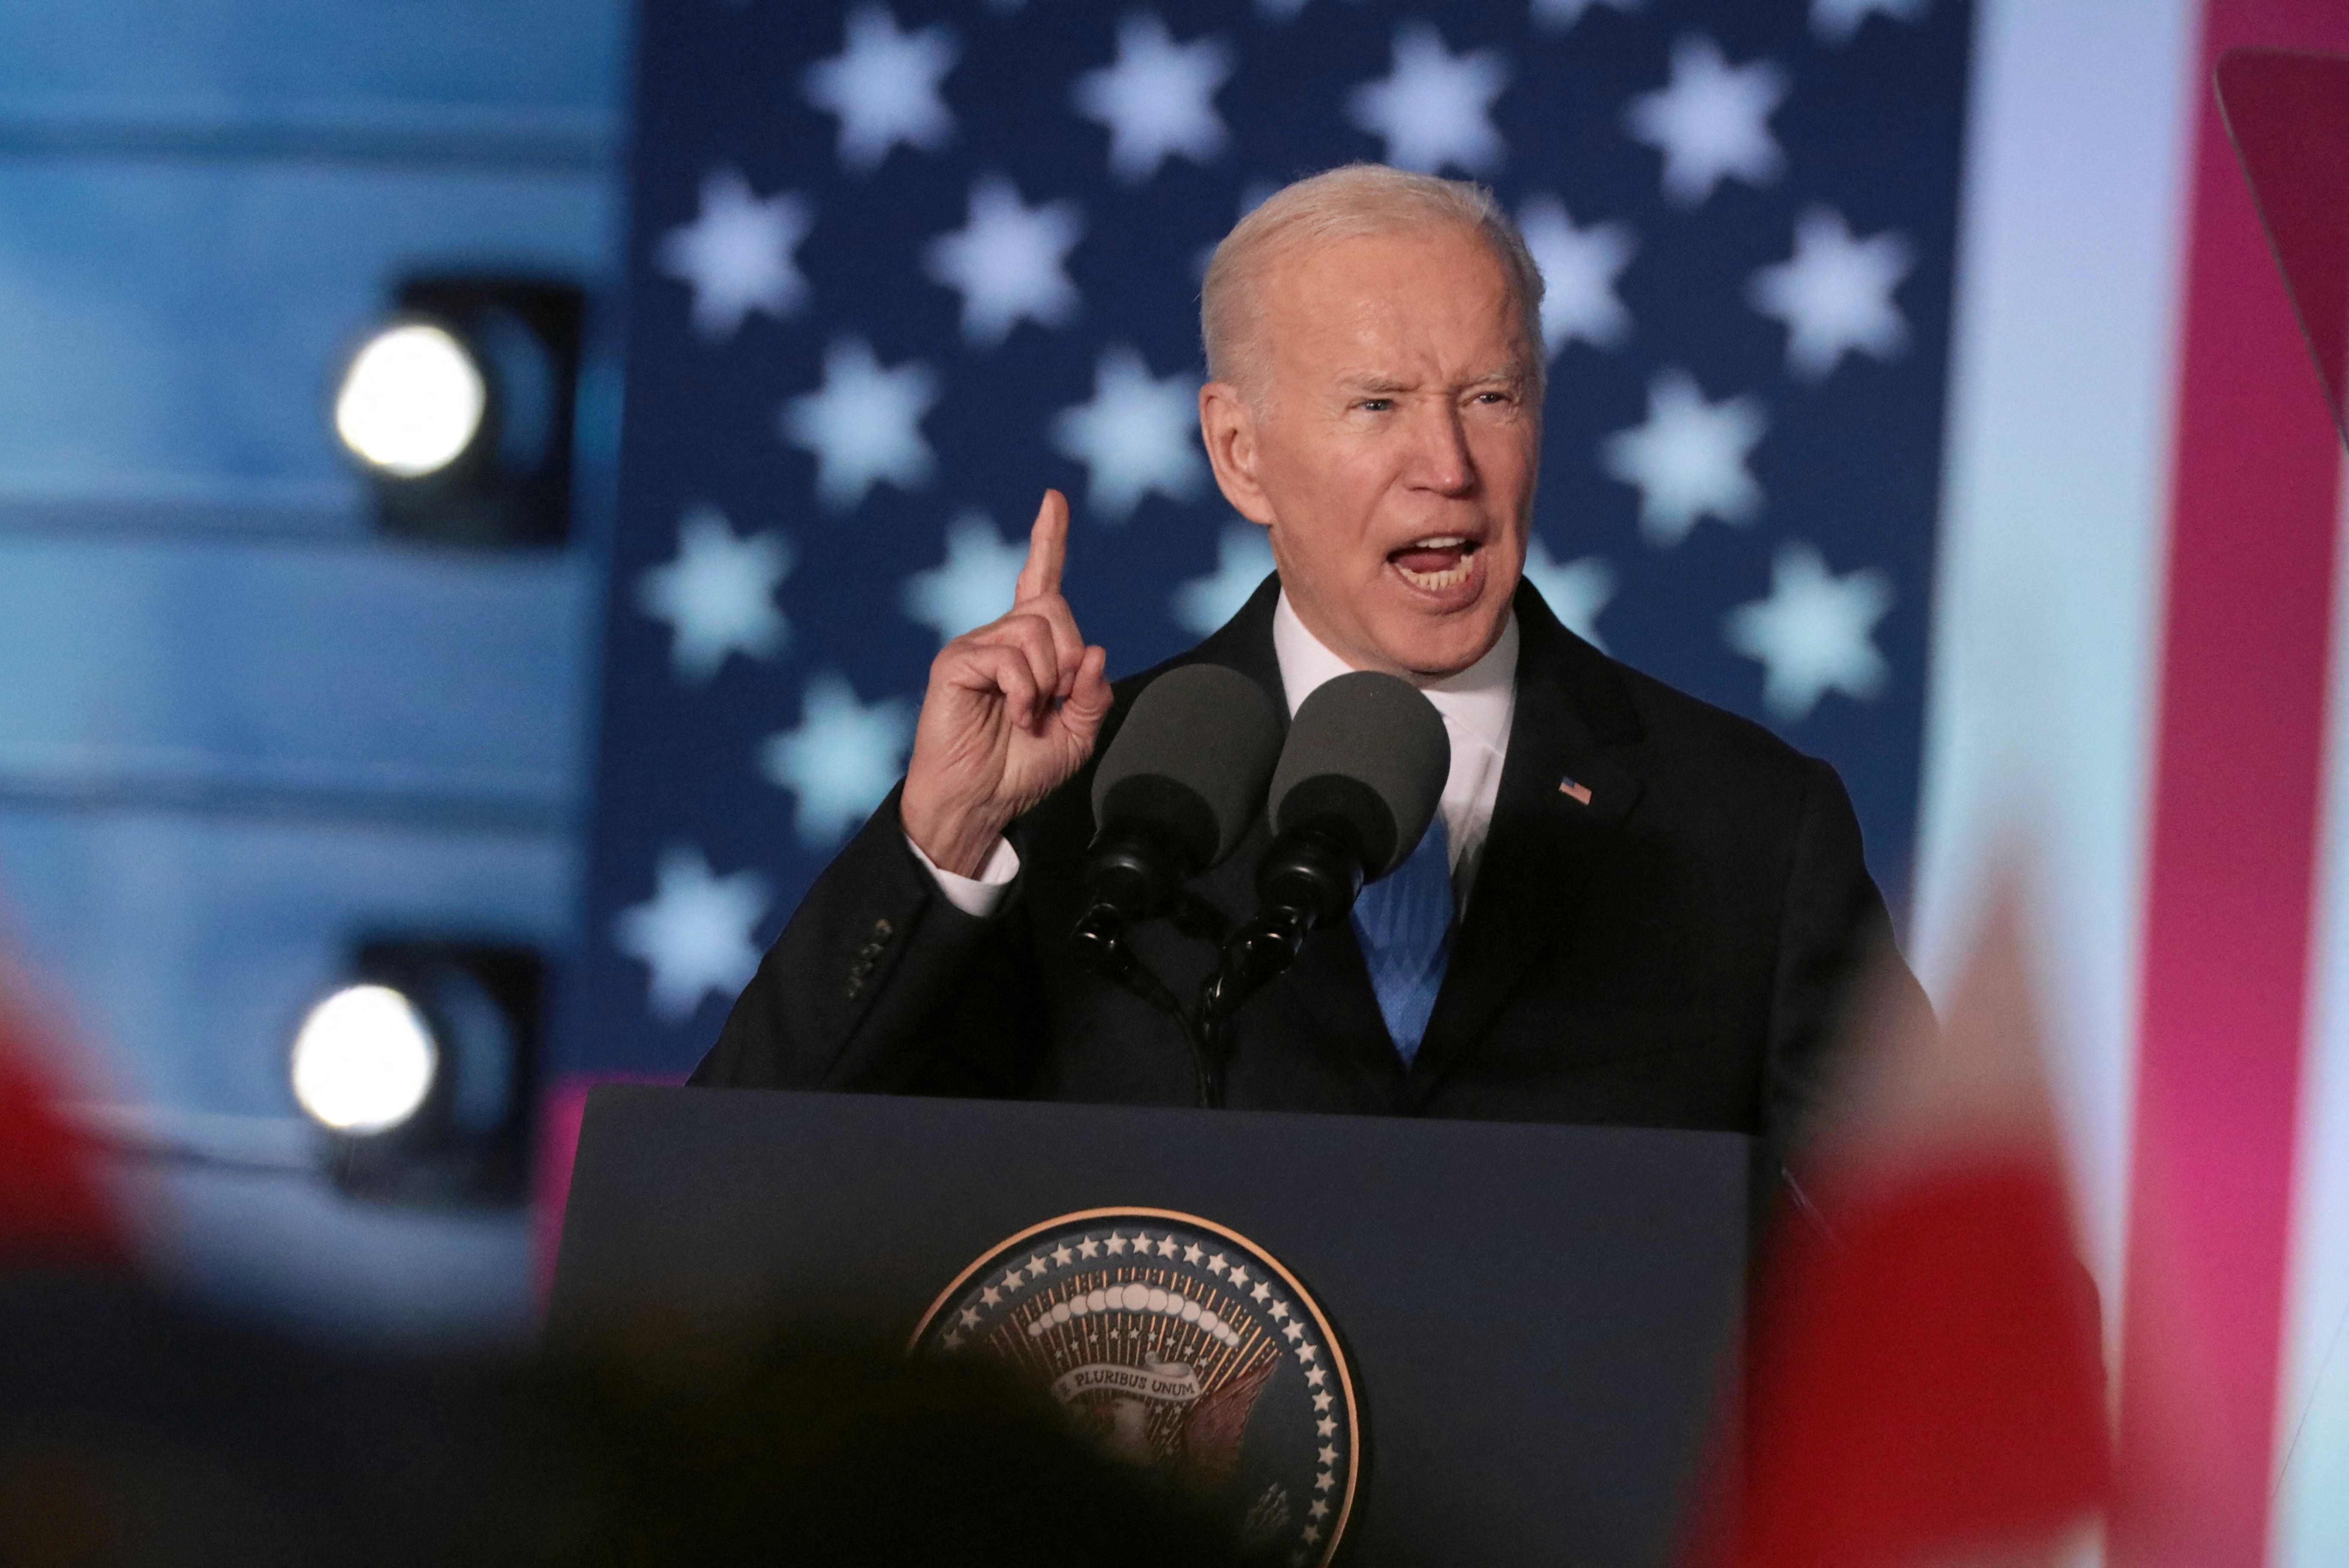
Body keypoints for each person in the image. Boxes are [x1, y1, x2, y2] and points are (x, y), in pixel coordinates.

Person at [693, 164, 1922, 1167]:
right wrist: (943, 841)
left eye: (1492, 395)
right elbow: (727, 1190)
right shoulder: (1070, 804)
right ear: (1239, 454)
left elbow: (1971, 1301)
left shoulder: (1749, 829)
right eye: (1378, 406)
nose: (1447, 463)